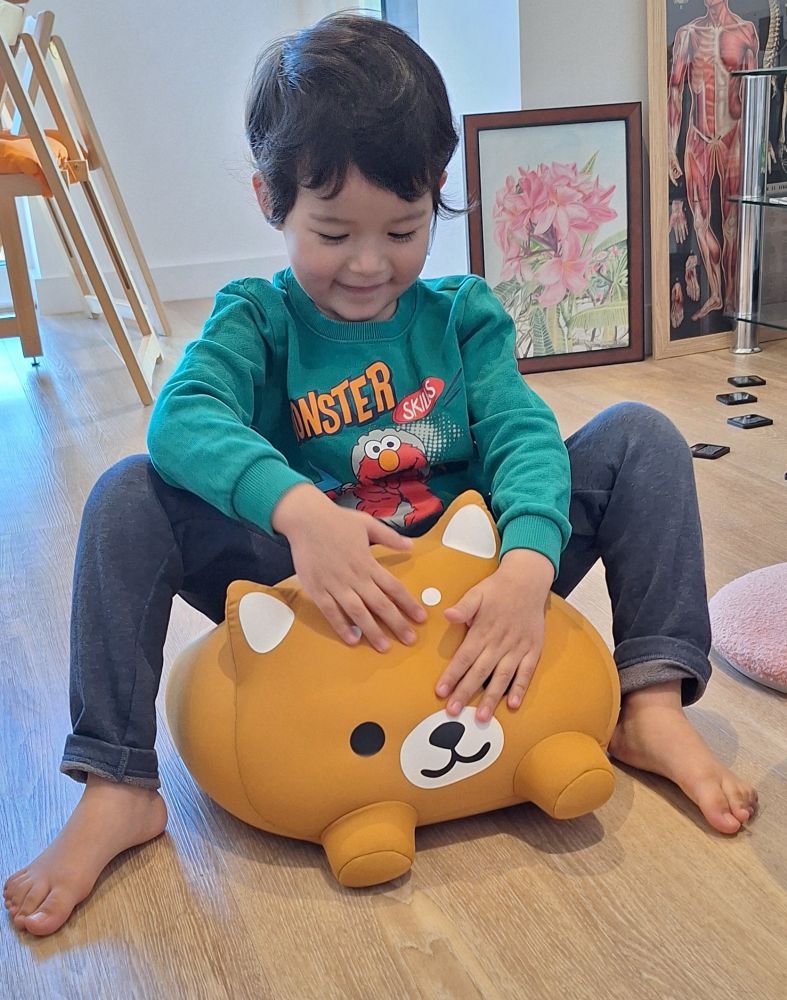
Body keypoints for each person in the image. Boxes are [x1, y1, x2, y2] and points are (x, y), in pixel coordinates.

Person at [4, 13, 757, 938]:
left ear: (437, 194)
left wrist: (525, 566)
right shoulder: (257, 319)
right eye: (331, 233)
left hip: (473, 580)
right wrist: (295, 513)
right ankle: (118, 785)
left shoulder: (463, 315)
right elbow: (182, 419)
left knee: (642, 436)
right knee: (127, 494)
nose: (369, 265)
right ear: (267, 200)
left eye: (403, 230)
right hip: (313, 586)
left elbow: (522, 433)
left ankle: (646, 705)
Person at [667, 0, 759, 320]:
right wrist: (669, 148)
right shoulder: (688, 34)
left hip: (733, 136)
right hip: (697, 138)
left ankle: (732, 298)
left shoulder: (745, 31)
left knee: (733, 223)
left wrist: (756, 147)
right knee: (701, 220)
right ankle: (717, 294)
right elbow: (675, 92)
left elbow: (754, 94)